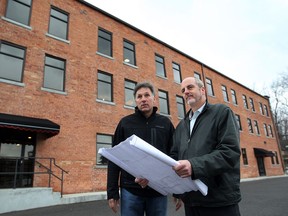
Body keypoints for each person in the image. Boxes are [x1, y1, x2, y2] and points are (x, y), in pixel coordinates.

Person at [171, 77, 241, 216]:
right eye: (183, 90)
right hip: (191, 201)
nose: (186, 92)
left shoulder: (221, 112)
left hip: (219, 201)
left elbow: (229, 152)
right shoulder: (181, 126)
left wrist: (194, 166)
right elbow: (174, 157)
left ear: (202, 90)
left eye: (190, 87)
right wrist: (152, 175)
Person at [107, 82, 177, 216]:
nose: (143, 99)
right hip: (130, 190)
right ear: (136, 101)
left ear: (154, 99)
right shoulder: (125, 123)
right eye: (139, 96)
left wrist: (178, 190)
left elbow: (174, 156)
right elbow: (114, 159)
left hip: (158, 190)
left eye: (147, 95)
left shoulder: (165, 123)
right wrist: (112, 192)